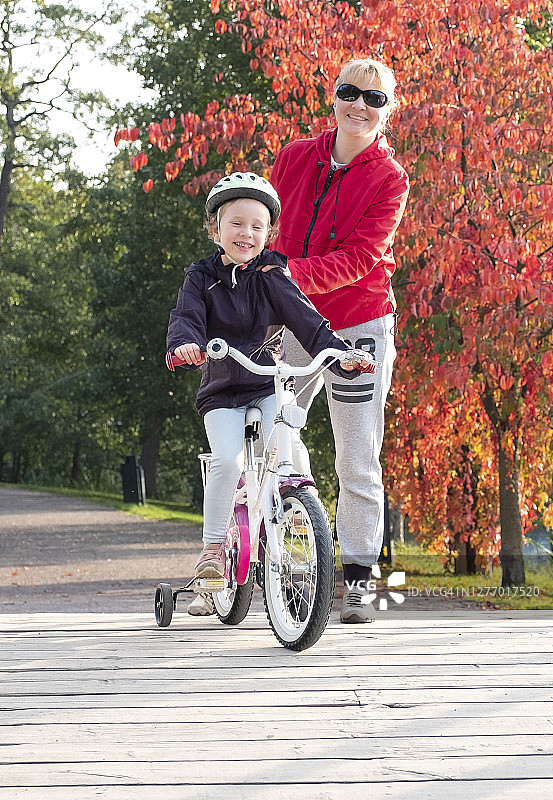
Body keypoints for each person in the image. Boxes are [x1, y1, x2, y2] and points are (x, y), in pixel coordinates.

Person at [166, 172, 372, 616]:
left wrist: (338, 353)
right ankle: (213, 551)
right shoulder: (201, 276)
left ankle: (298, 507)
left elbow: (306, 318)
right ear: (215, 229)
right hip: (221, 390)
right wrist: (185, 344)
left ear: (269, 233)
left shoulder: (272, 273)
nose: (247, 233)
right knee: (228, 460)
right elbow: (186, 317)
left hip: (263, 382)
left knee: (288, 431)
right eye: (236, 224)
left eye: (257, 226)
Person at [266, 57, 410, 623]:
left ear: (386, 110)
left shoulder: (390, 178)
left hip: (359, 323)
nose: (359, 105)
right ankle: (284, 558)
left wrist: (285, 278)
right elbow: (267, 229)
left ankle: (355, 581)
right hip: (290, 322)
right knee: (270, 432)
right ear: (333, 96)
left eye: (373, 98)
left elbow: (360, 258)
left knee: (357, 454)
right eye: (350, 91)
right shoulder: (294, 157)